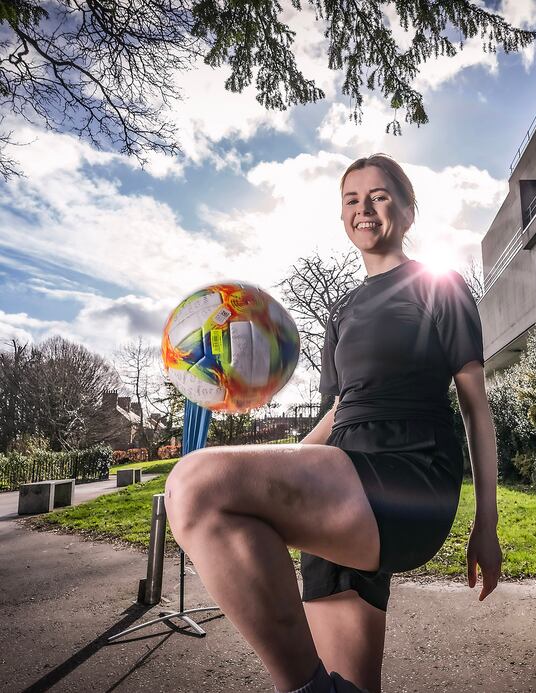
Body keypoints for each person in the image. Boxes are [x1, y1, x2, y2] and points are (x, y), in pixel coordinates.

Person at [164, 153, 503, 693]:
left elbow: (475, 407)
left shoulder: (440, 285)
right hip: (337, 481)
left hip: (407, 474)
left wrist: (486, 523)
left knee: (193, 482)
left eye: (379, 196)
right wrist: (287, 463)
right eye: (351, 200)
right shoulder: (341, 311)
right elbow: (339, 409)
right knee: (351, 682)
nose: (363, 209)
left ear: (409, 213)